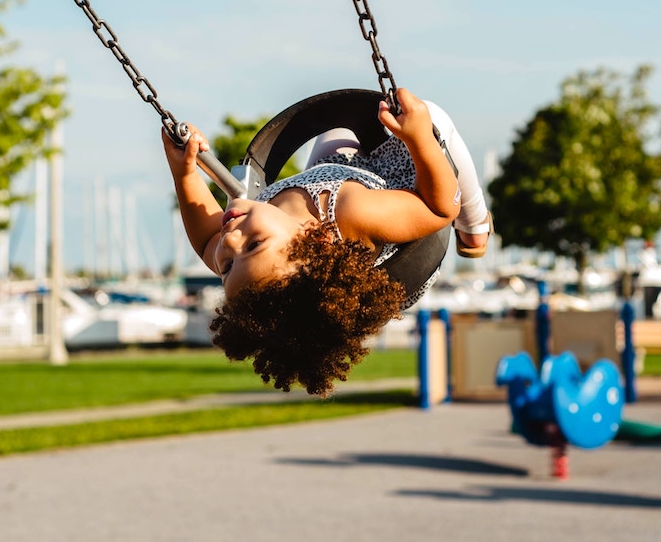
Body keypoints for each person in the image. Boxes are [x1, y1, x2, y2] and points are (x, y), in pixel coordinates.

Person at [162, 87, 492, 396]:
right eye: (253, 245)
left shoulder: (257, 258)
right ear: (316, 241)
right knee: (433, 119)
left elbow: (207, 239)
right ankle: (476, 225)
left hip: (333, 171)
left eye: (227, 265)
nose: (231, 241)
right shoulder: (353, 212)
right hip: (405, 184)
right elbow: (439, 208)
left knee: (340, 127)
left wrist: (185, 172)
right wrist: (419, 139)